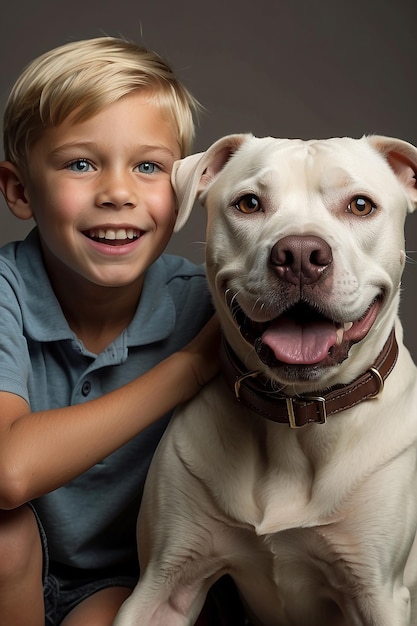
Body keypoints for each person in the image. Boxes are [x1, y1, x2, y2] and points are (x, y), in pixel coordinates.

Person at [0, 36, 220, 626]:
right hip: (12, 567)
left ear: (184, 189)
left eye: (148, 166)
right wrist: (189, 369)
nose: (118, 193)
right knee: (4, 535)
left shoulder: (208, 303)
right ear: (20, 190)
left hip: (129, 577)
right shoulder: (6, 291)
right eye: (80, 163)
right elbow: (8, 470)